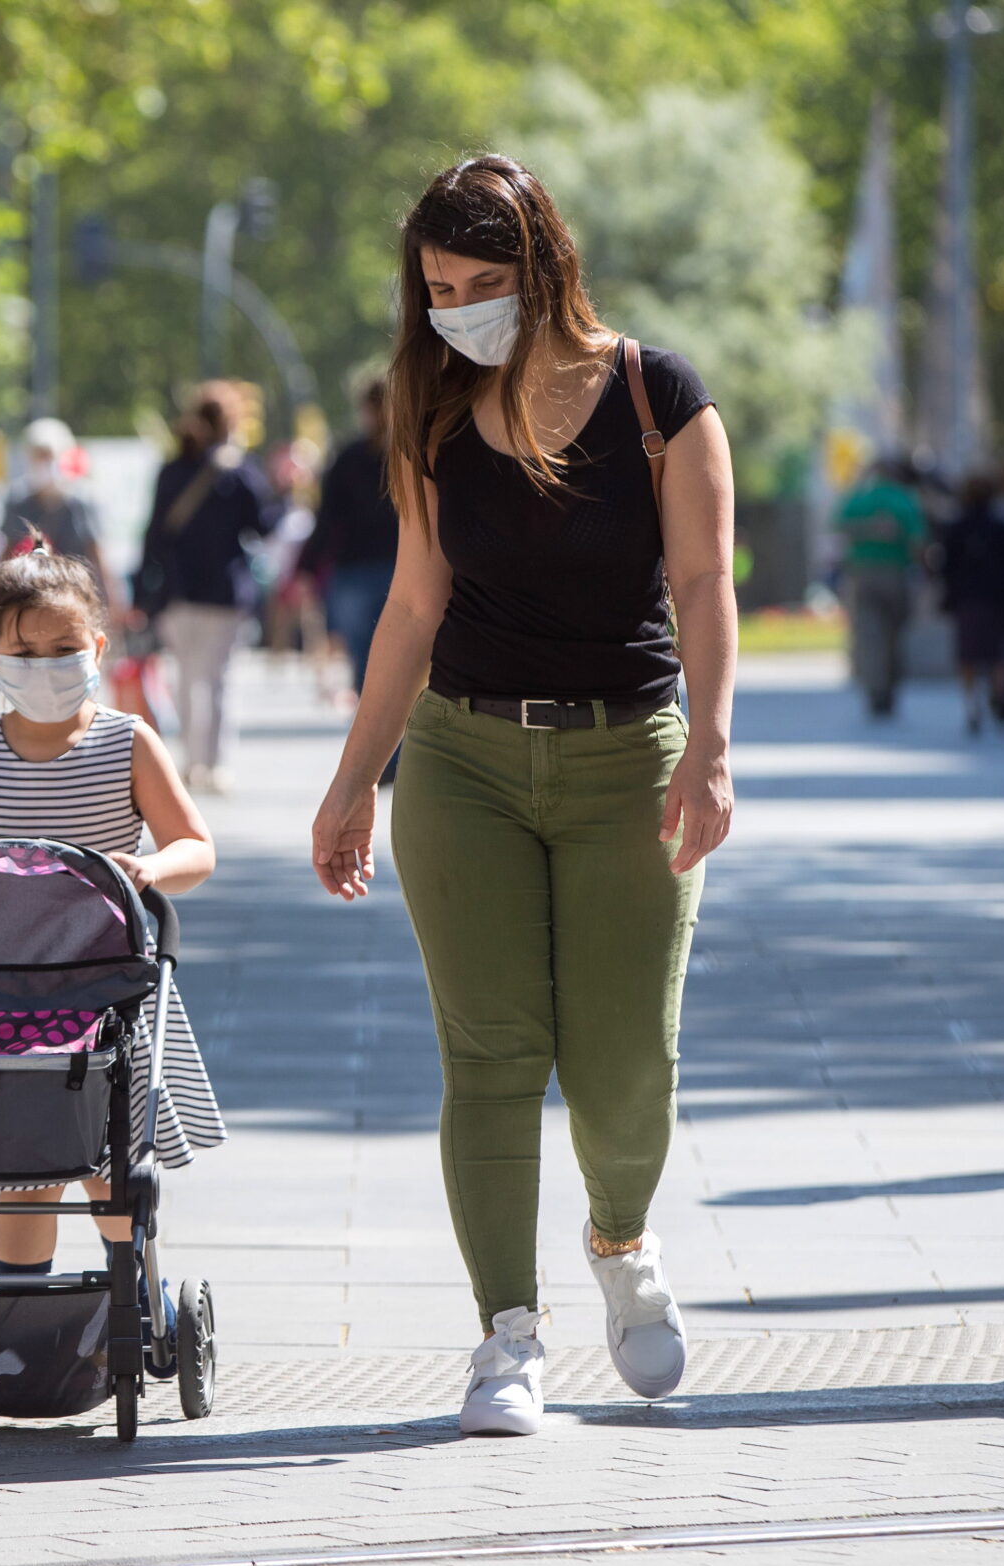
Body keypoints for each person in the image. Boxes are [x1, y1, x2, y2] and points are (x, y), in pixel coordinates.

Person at [308, 155, 736, 1437]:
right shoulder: (430, 407)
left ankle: (619, 1238)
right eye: (437, 287)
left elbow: (706, 587)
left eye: (480, 283)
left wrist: (709, 748)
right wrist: (351, 783)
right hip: (464, 760)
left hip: (629, 761)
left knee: (619, 1069)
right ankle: (506, 1336)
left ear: (543, 267)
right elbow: (409, 607)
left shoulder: (658, 395)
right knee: (489, 1058)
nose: (455, 309)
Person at [0, 548, 225, 1320]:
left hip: (107, 991)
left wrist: (151, 870)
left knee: (110, 1157)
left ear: (98, 646)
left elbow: (196, 846)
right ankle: (18, 1313)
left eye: (65, 650)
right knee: (26, 1166)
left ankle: (138, 1292)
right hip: (8, 995)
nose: (46, 666)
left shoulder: (127, 741)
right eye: (25, 653)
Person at [136, 381, 278, 790]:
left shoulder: (172, 469)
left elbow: (154, 535)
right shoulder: (240, 473)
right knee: (217, 682)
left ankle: (189, 761)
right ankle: (212, 764)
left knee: (183, 679)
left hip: (177, 594)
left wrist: (145, 594)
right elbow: (263, 526)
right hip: (224, 594)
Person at [303, 378, 399, 697]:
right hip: (401, 570)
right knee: (401, 661)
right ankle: (398, 741)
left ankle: (377, 734)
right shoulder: (411, 454)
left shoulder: (349, 458)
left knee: (364, 661)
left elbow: (327, 518)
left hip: (354, 572)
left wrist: (306, 566)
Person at [834, 459, 929, 718]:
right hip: (895, 573)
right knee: (894, 634)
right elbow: (918, 542)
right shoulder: (904, 500)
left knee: (869, 636)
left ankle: (875, 689)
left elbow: (837, 526)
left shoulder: (858, 499)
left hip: (862, 573)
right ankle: (889, 688)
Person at [3, 417, 122, 615]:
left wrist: (113, 601)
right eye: (38, 456)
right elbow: (6, 554)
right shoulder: (18, 501)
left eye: (48, 456)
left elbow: (97, 553)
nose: (44, 463)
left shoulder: (83, 501)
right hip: (29, 601)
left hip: (77, 599)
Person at [937, 469, 1004, 734]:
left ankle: (972, 703)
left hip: (966, 599)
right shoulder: (1001, 527)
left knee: (968, 654)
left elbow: (945, 567)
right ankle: (998, 691)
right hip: (996, 597)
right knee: (998, 652)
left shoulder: (955, 528)